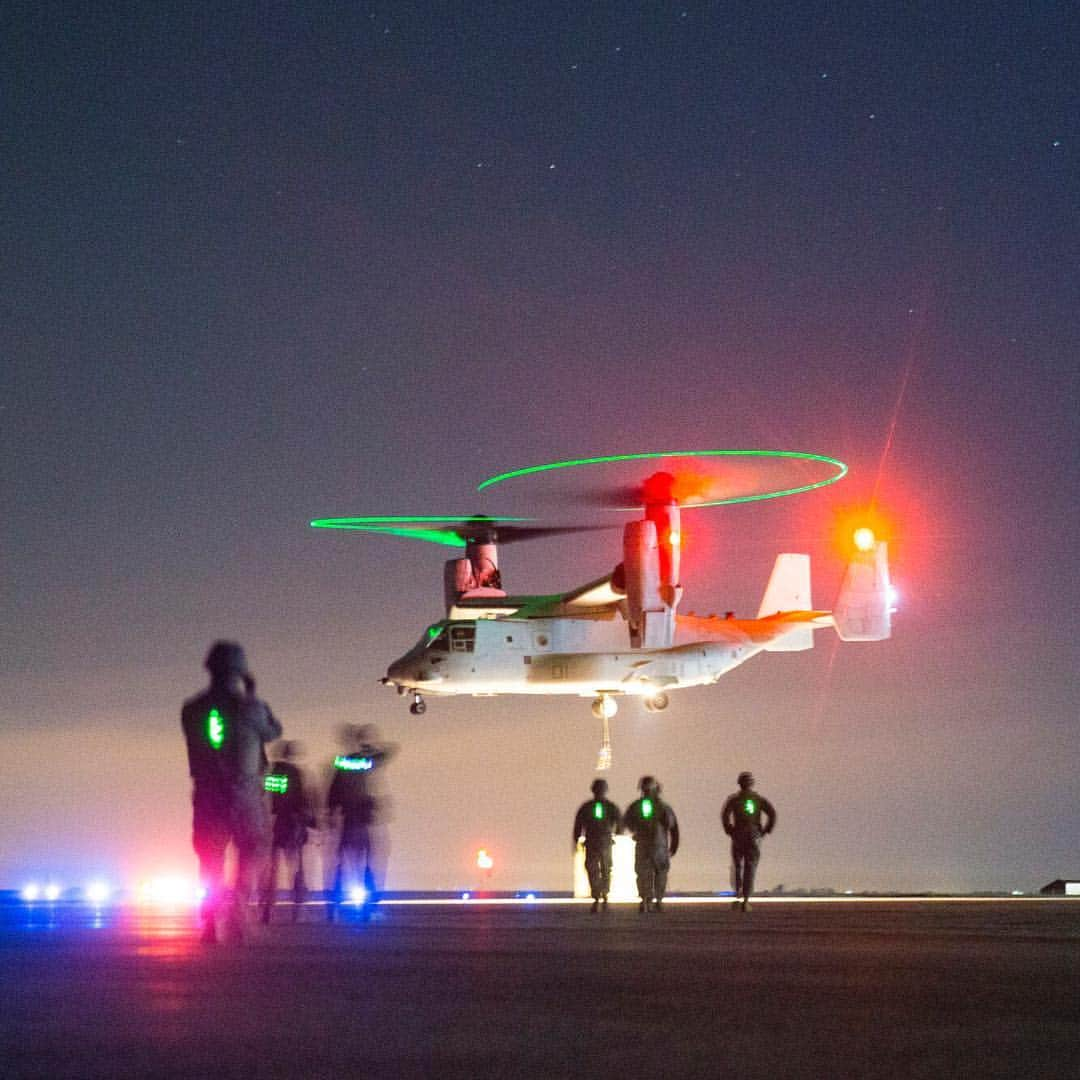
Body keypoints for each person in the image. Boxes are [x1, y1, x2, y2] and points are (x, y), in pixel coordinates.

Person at [181, 641, 282, 943]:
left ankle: (210, 918)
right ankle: (236, 911)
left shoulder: (192, 709)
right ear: (238, 671)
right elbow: (273, 731)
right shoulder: (251, 708)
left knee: (210, 858)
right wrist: (251, 694)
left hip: (207, 791)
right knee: (252, 848)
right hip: (244, 791)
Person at [326, 724, 398, 920]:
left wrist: (330, 815)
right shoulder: (366, 760)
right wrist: (371, 746)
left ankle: (335, 904)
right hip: (361, 818)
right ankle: (368, 904)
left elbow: (333, 792)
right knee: (368, 860)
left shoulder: (342, 762)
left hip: (347, 819)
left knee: (342, 862)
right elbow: (390, 751)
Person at [260, 741, 316, 924]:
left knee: (272, 869)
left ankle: (267, 906)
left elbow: (265, 798)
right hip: (291, 824)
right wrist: (309, 822)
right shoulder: (295, 773)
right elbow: (300, 800)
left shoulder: (270, 774)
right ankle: (298, 907)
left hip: (273, 825)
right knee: (296, 867)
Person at [622, 776, 679, 912]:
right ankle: (656, 900)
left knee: (644, 873)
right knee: (659, 872)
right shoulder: (663, 807)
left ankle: (646, 900)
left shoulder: (636, 806)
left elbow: (627, 823)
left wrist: (636, 829)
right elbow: (673, 827)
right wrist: (673, 846)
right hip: (658, 845)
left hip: (645, 844)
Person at [721, 771, 777, 912]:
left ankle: (738, 894)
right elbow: (772, 813)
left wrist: (730, 830)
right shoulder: (758, 799)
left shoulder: (733, 799)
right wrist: (765, 831)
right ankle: (746, 900)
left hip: (738, 834)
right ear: (751, 784)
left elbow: (725, 815)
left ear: (739, 783)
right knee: (750, 867)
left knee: (737, 865)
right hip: (753, 834)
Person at [572, 778, 622, 912]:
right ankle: (602, 894)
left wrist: (576, 840)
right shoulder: (609, 806)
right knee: (602, 869)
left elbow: (578, 826)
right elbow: (619, 823)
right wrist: (616, 833)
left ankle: (599, 895)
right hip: (601, 842)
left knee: (598, 869)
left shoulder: (588, 807)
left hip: (595, 842)